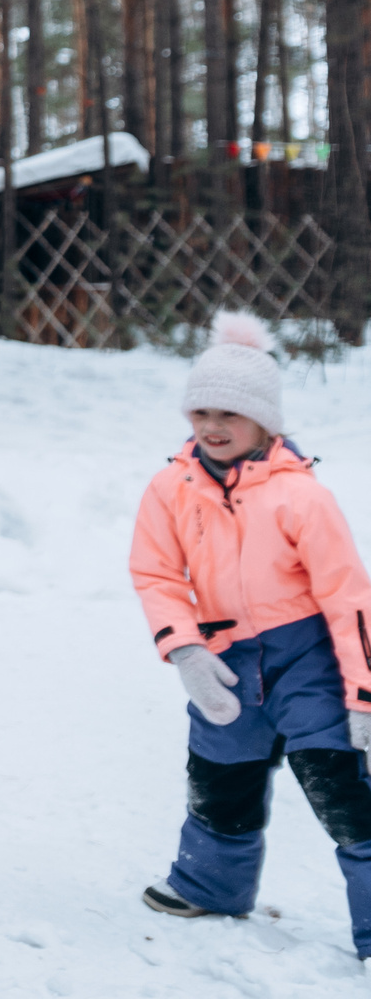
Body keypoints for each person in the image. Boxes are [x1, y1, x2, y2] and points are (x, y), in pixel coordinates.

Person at [132, 313, 371, 963]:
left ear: (265, 422)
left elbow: (349, 597)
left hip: (308, 659)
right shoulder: (171, 488)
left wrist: (363, 693)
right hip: (223, 659)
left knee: (339, 785)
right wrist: (185, 650)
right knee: (219, 775)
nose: (212, 426)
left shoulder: (300, 498)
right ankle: (210, 885)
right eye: (201, 410)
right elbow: (154, 573)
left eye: (229, 415)